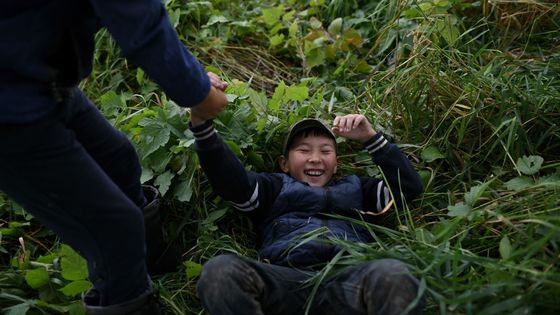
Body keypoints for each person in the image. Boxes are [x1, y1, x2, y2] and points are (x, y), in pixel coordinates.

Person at [0, 1, 228, 314]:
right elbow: (141, 25)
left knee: (117, 159)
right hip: (12, 112)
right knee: (115, 229)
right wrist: (201, 94)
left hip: (39, 78)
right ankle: (127, 295)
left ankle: (151, 266)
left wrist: (195, 83)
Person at [190, 113, 425, 315]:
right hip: (287, 283)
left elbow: (409, 188)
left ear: (336, 164)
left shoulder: (360, 189)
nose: (315, 158)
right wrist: (202, 126)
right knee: (220, 272)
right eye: (303, 150)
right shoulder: (272, 188)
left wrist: (370, 138)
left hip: (349, 282)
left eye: (325, 151)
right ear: (284, 163)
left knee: (393, 272)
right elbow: (230, 181)